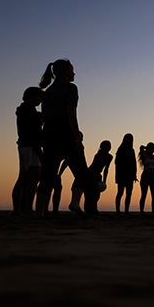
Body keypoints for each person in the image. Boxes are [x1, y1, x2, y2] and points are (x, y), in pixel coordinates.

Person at [35, 59, 92, 216]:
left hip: (49, 134)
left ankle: (38, 212)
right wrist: (77, 136)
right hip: (65, 133)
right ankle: (74, 202)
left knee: (47, 175)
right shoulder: (71, 88)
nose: (74, 73)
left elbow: (45, 117)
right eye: (72, 70)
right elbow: (71, 114)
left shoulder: (47, 92)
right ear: (66, 72)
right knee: (82, 173)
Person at [12, 86, 44, 216]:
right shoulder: (28, 111)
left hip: (28, 145)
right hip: (29, 146)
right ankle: (22, 209)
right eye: (39, 97)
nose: (41, 100)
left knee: (29, 178)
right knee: (27, 178)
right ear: (32, 96)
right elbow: (33, 133)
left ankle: (23, 209)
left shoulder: (27, 110)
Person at [86, 140, 113, 214]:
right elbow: (95, 165)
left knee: (97, 194)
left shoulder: (110, 157)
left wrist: (104, 181)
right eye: (106, 145)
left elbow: (106, 169)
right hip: (90, 173)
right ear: (102, 146)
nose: (108, 147)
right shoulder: (98, 155)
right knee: (90, 193)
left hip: (98, 175)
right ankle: (88, 209)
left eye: (109, 145)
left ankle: (94, 209)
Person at [114, 133, 137, 214]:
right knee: (120, 192)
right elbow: (116, 163)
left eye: (130, 139)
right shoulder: (120, 150)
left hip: (130, 176)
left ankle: (126, 210)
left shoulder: (132, 150)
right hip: (121, 175)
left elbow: (134, 163)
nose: (129, 140)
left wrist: (134, 175)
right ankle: (118, 210)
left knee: (128, 194)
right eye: (128, 138)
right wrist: (117, 177)